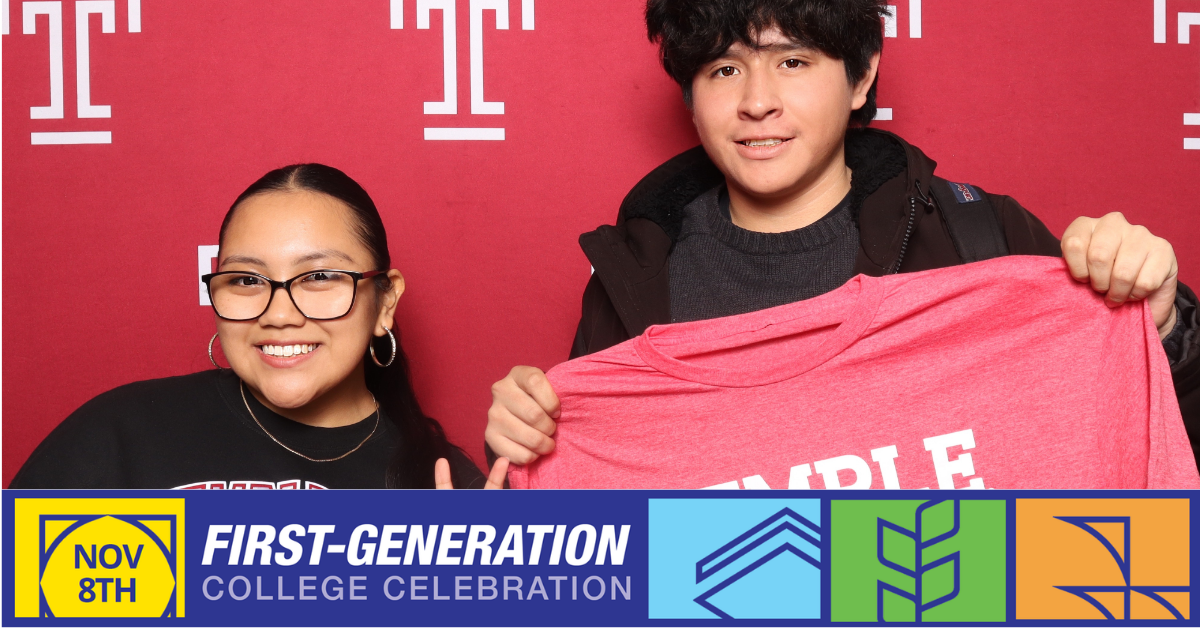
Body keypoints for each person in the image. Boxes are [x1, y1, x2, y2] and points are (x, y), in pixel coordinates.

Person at [485, 0, 1200, 468]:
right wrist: (528, 440)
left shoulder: (979, 236)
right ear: (691, 98)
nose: (757, 102)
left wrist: (1163, 327)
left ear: (861, 79)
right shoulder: (632, 278)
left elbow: (1147, 443)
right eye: (724, 69)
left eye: (792, 61)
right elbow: (600, 536)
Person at [11, 163, 505, 489]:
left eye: (319, 277)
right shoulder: (119, 434)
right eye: (247, 279)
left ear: (385, 301)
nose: (279, 314)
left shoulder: (444, 485)